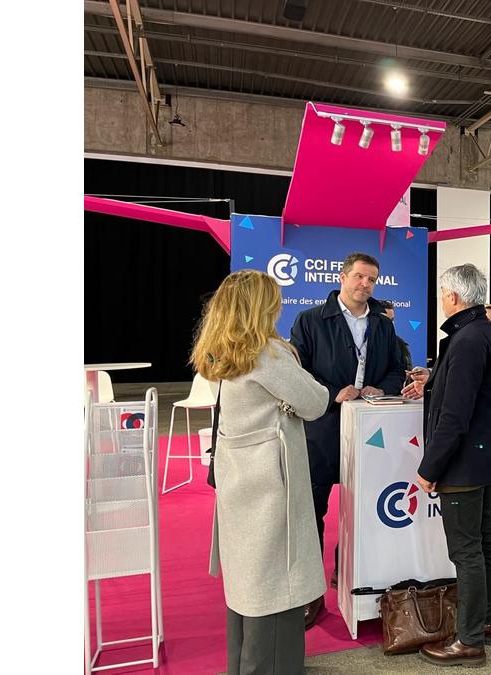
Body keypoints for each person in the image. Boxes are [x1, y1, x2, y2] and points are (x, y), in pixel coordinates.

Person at [193, 270, 330, 674]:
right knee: (275, 594)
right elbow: (316, 401)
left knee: (247, 594)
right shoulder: (266, 354)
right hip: (271, 489)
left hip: (240, 481)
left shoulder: (221, 350)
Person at [402, 264, 491, 668]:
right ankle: (486, 622)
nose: (441, 300)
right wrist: (434, 381)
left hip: (464, 461)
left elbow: (454, 416)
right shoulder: (490, 333)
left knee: (467, 549)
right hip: (485, 456)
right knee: (484, 538)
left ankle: (469, 640)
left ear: (452, 296)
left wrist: (429, 467)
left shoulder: (466, 338)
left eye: (442, 294)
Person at [289, 252, 406, 627]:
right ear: (342, 277)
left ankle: (348, 569)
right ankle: (309, 594)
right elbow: (297, 372)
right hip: (322, 429)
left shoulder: (382, 324)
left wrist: (381, 388)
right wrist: (330, 393)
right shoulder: (310, 320)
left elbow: (397, 368)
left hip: (371, 432)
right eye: (359, 277)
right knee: (312, 511)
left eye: (371, 279)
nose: (365, 284)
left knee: (365, 508)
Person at [380, 300, 413, 371]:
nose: (391, 324)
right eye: (386, 320)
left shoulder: (400, 344)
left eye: (392, 320)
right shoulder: (362, 343)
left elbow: (407, 370)